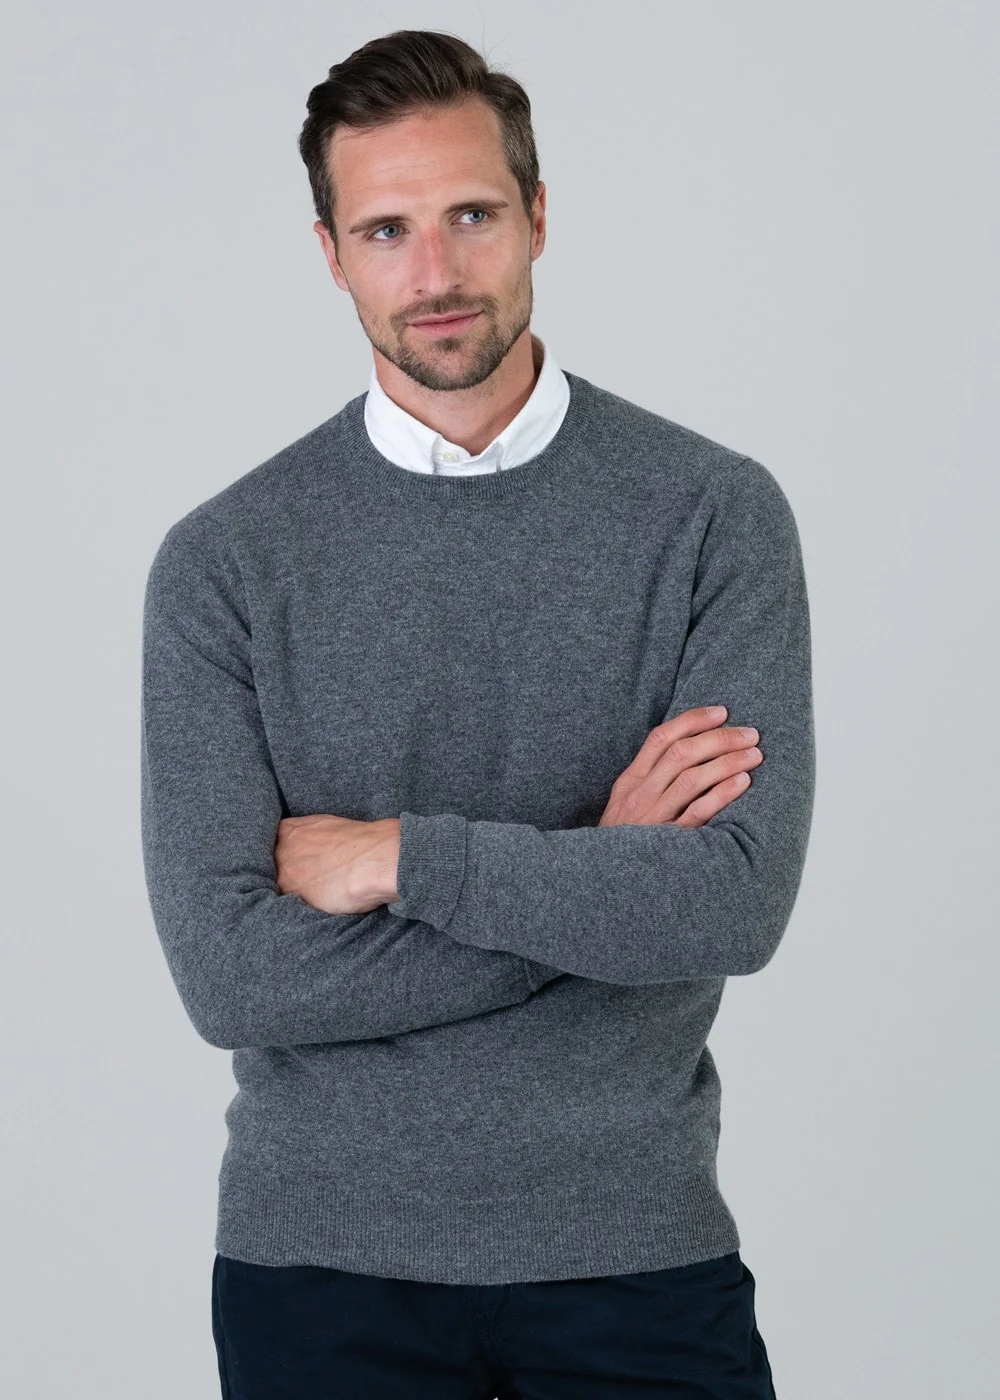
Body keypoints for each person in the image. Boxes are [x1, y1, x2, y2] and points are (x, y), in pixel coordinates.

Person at [140, 27, 815, 1400]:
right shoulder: (226, 563)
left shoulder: (710, 515)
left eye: (471, 215)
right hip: (320, 1271)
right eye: (386, 231)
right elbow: (233, 981)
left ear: (539, 216)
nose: (436, 273)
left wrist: (403, 859)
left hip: (634, 1254)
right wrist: (600, 873)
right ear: (331, 255)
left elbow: (730, 908)